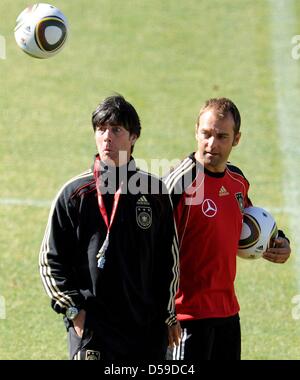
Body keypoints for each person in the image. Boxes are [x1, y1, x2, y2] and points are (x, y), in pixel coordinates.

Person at [39, 94, 179, 360]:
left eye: (116, 130)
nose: (107, 138)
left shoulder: (155, 192)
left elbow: (169, 261)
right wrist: (74, 311)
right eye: (101, 129)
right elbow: (50, 261)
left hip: (146, 330)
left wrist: (169, 315)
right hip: (95, 331)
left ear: (134, 136)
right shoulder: (74, 194)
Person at [164, 98, 291, 360]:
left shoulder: (237, 181)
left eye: (222, 136)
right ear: (196, 131)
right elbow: (150, 250)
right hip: (185, 316)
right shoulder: (177, 183)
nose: (212, 144)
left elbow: (249, 219)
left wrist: (279, 242)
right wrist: (164, 313)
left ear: (237, 139)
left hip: (227, 314)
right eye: (206, 134)